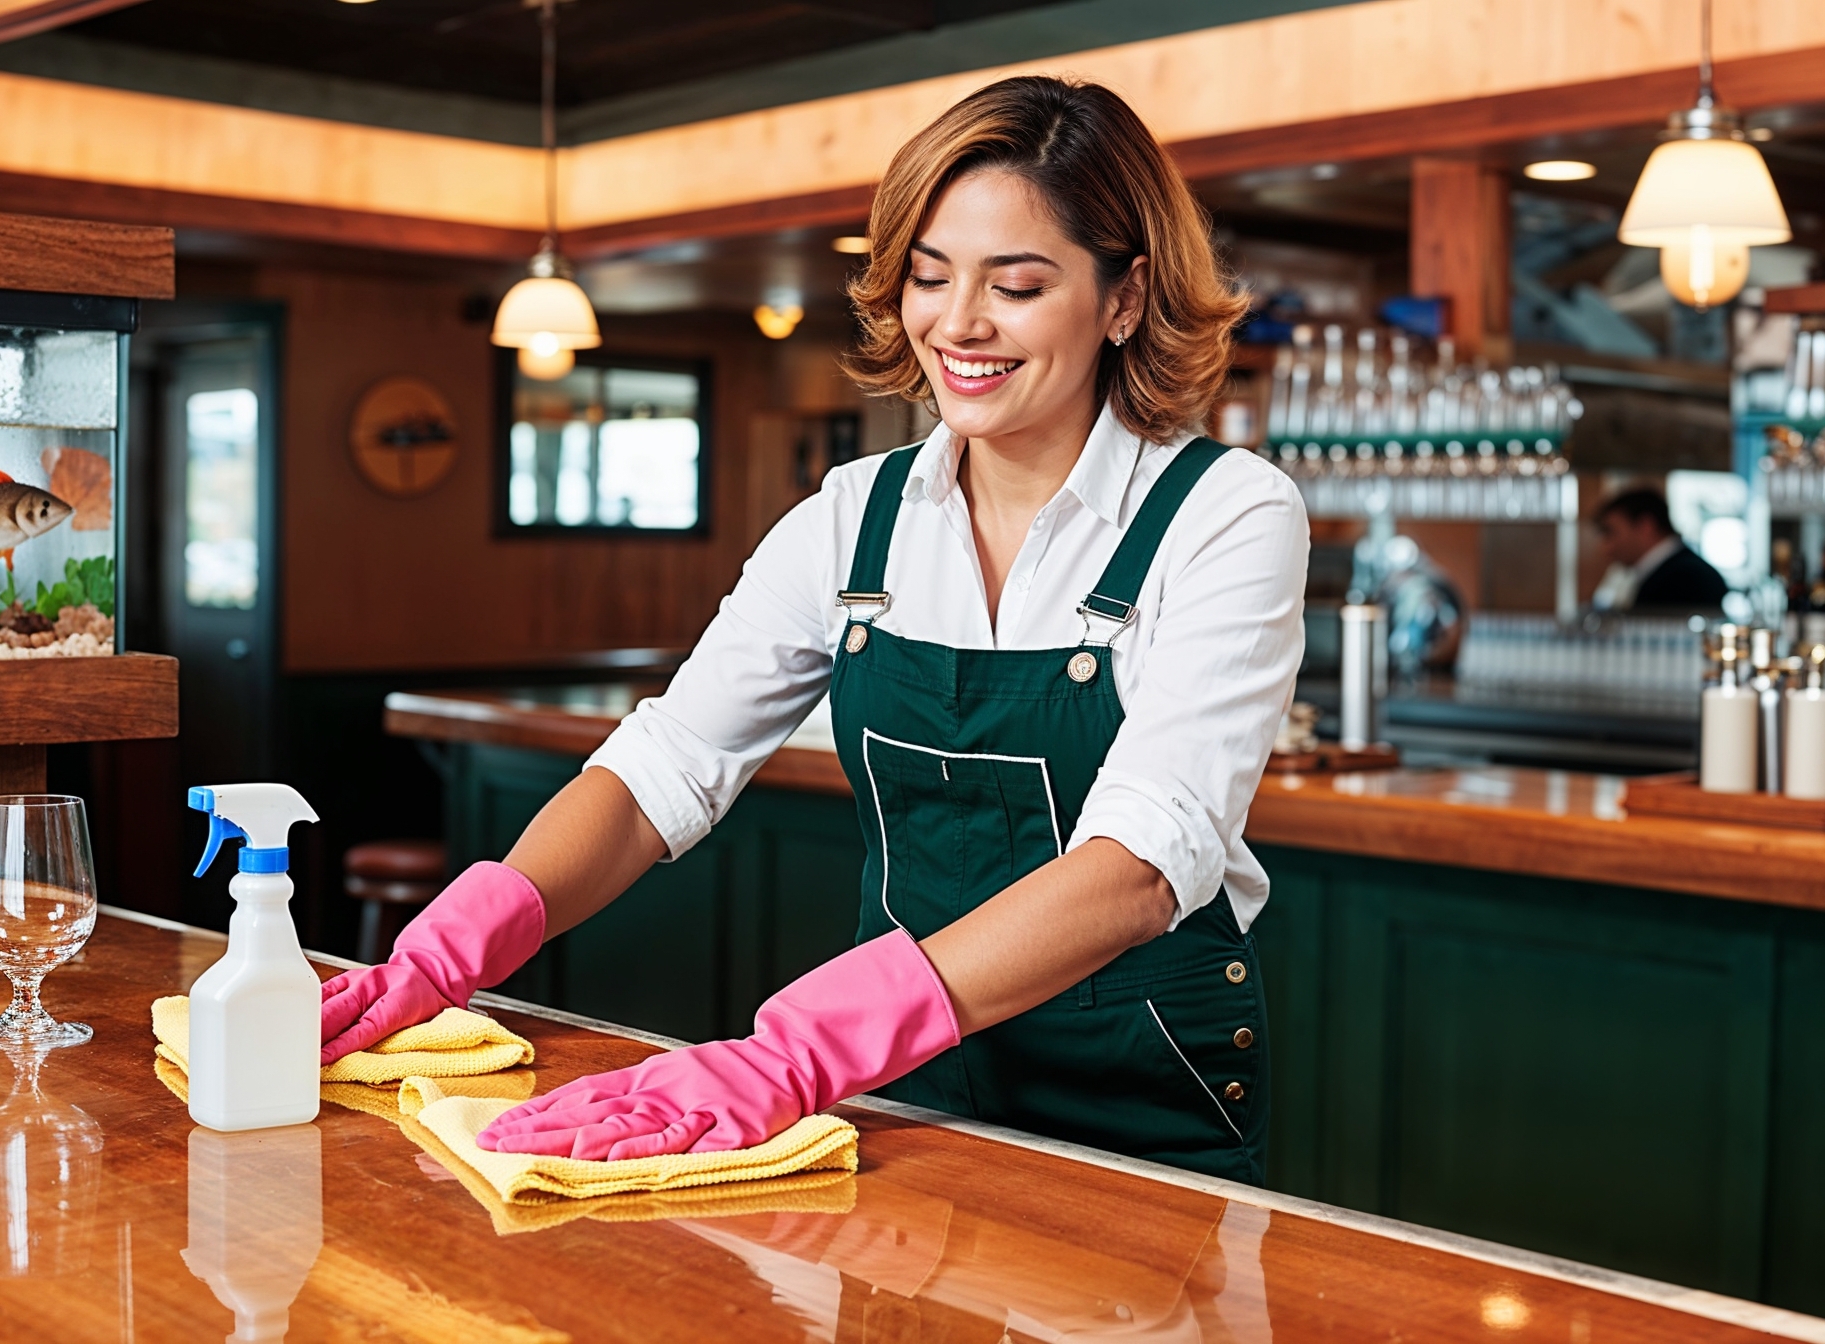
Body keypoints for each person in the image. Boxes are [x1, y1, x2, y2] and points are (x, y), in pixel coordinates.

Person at [317, 75, 1308, 1183]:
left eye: (1016, 285)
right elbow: (668, 762)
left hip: (1138, 1089)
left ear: (1123, 299)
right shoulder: (852, 519)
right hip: (899, 1094)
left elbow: (1141, 862)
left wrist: (798, 1049)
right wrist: (452, 949)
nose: (958, 323)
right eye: (929, 276)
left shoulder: (1226, 514)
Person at [1593, 486, 1728, 611]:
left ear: (1646, 526)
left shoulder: (1686, 578)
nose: (1606, 547)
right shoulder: (1678, 571)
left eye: (1611, 532)